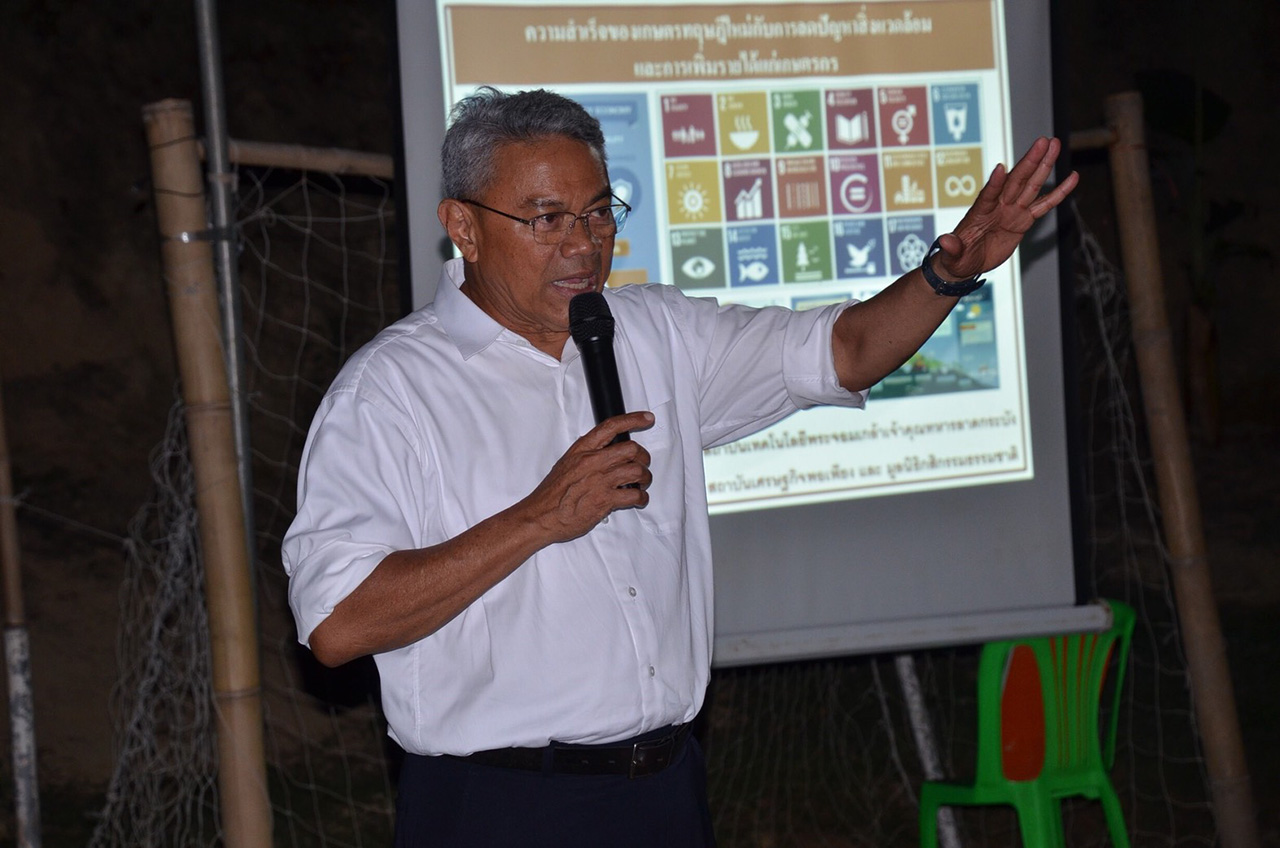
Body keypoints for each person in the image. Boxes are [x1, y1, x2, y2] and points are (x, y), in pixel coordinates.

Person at [282, 86, 1077, 847]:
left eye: (599, 213)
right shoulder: (390, 391)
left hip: (666, 790)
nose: (583, 245)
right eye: (547, 218)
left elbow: (846, 349)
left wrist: (947, 274)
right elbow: (337, 624)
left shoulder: (656, 332)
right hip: (501, 807)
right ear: (464, 225)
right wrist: (541, 518)